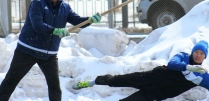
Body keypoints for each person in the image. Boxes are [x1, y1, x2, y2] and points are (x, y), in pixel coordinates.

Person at [0, 0, 101, 101]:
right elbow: (37, 25)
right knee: (10, 82)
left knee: (55, 87)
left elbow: (77, 21)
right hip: (27, 51)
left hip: (49, 55)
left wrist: (90, 20)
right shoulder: (37, 3)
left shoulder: (65, 7)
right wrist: (55, 31)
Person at [72, 40, 209, 101]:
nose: (198, 55)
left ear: (204, 57)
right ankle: (91, 82)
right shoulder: (182, 56)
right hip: (148, 77)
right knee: (115, 80)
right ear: (192, 52)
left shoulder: (201, 76)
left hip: (155, 93)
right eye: (196, 52)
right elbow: (172, 64)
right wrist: (188, 67)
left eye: (202, 54)